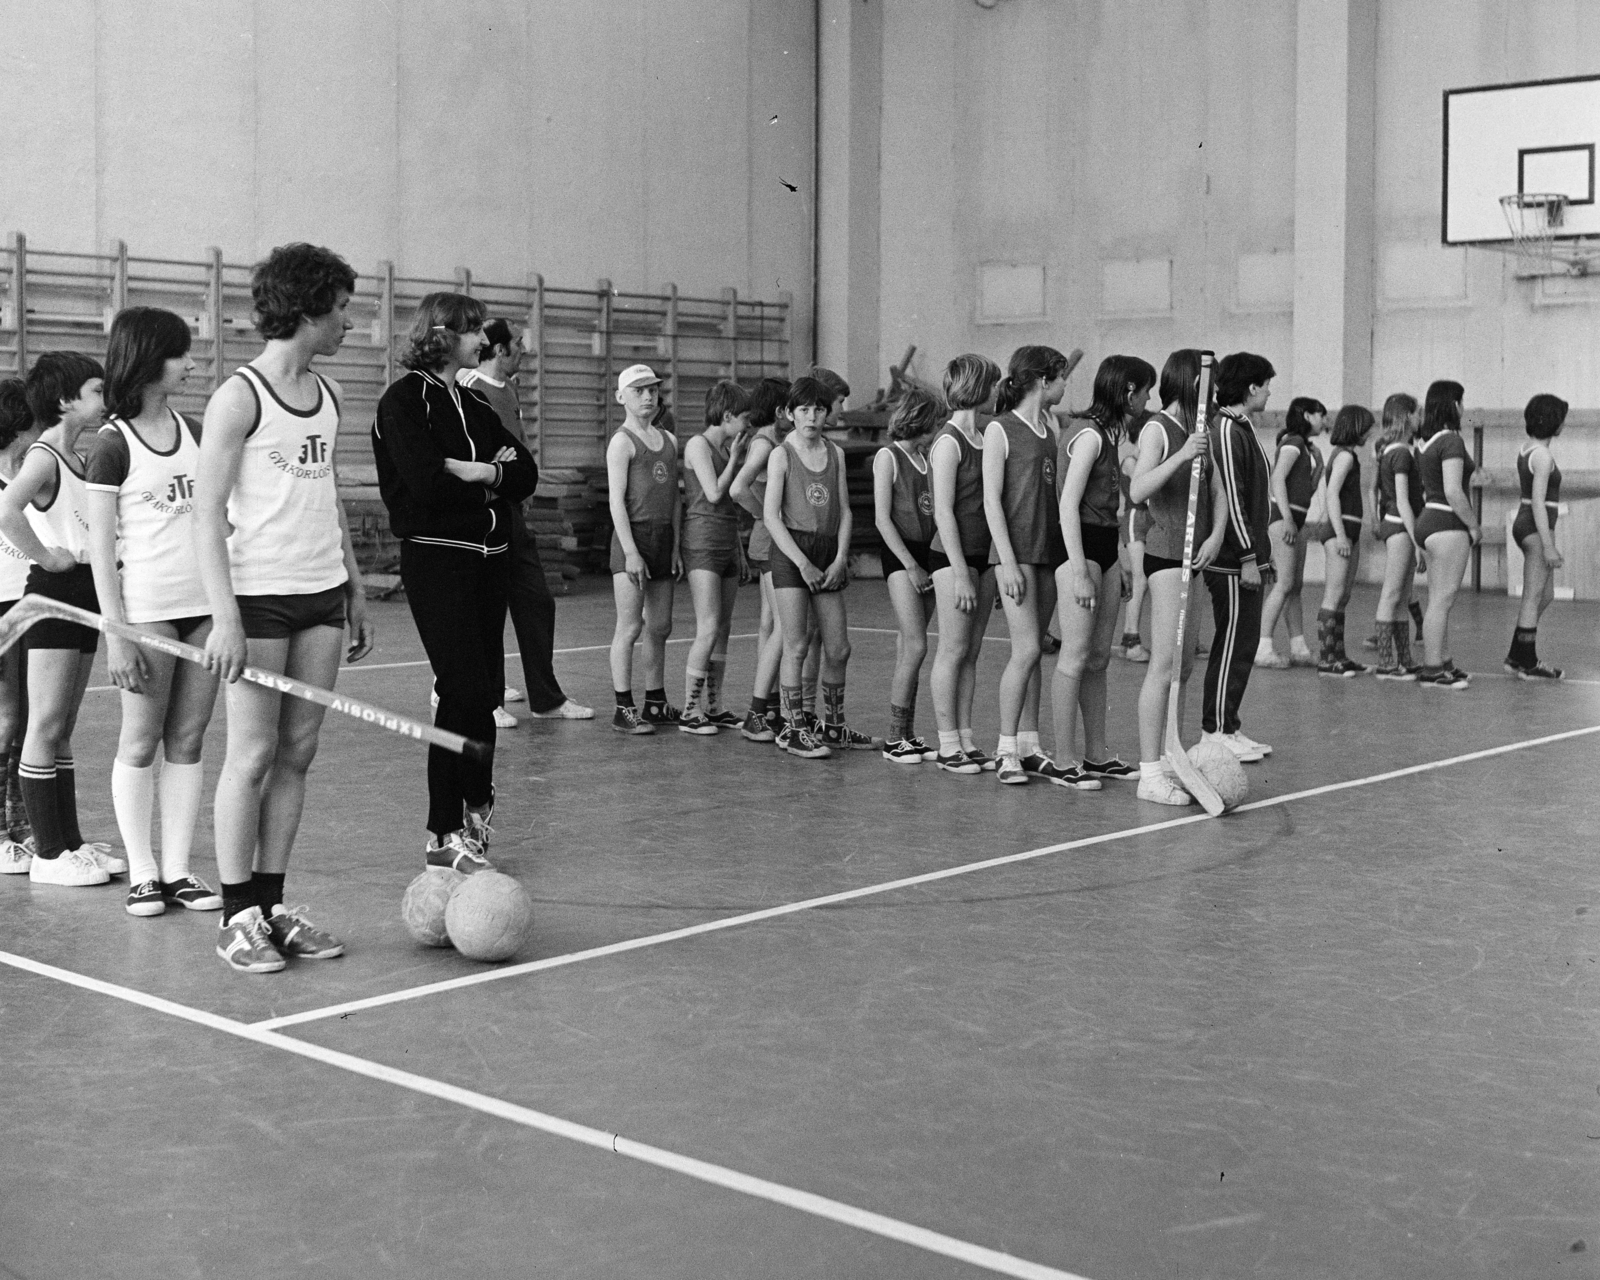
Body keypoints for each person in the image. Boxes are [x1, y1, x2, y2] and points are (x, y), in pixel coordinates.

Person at [195, 242, 374, 974]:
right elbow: (205, 514)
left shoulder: (327, 397)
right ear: (306, 311)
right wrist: (227, 617)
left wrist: (355, 585)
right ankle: (236, 916)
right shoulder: (238, 397)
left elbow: (323, 494)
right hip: (258, 601)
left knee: (298, 753)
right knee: (253, 754)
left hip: (321, 596)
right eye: (339, 310)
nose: (348, 324)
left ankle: (272, 906)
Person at [375, 291, 537, 878]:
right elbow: (424, 486)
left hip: (488, 559)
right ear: (444, 334)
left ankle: (478, 801)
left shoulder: (471, 402)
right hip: (439, 561)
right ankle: (444, 826)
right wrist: (491, 483)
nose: (482, 342)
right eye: (473, 332)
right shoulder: (403, 401)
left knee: (485, 694)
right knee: (461, 688)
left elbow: (527, 472)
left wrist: (480, 470)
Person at [86, 307, 222, 916]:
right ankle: (143, 871)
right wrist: (116, 634)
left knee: (188, 739)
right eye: (179, 354)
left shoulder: (198, 432)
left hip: (205, 609)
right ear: (146, 359)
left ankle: (179, 870)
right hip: (146, 612)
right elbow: (98, 551)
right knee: (141, 740)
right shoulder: (112, 444)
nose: (191, 364)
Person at [0, 352, 126, 887]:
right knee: (43, 723)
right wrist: (46, 557)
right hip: (53, 592)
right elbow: (7, 509)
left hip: (84, 595)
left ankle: (70, 842)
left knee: (64, 728)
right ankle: (48, 852)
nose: (105, 400)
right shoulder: (46, 455)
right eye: (97, 391)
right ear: (64, 400)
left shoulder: (80, 454)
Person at [457, 318, 592, 726]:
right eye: (517, 343)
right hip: (485, 514)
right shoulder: (470, 391)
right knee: (488, 607)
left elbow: (517, 445)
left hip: (515, 512)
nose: (523, 350)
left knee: (536, 600)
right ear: (498, 349)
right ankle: (486, 698)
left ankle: (545, 698)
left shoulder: (509, 389)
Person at [1131, 349, 1226, 805]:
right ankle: (1150, 771)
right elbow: (1138, 489)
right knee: (1164, 665)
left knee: (1184, 668)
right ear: (1193, 385)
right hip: (1166, 555)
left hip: (1194, 555)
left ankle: (1172, 755)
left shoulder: (1200, 430)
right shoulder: (1158, 429)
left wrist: (1217, 534)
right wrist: (1183, 454)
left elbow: (1217, 489)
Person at [764, 376, 877, 757]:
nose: (811, 416)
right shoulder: (782, 454)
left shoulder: (836, 454)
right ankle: (793, 728)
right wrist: (802, 563)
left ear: (828, 413)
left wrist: (842, 557)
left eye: (818, 409)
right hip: (793, 552)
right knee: (796, 646)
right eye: (803, 410)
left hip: (828, 552)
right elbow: (771, 517)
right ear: (790, 414)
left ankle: (833, 726)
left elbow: (845, 510)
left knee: (839, 647)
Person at [1052, 355, 1152, 786]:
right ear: (1128, 391)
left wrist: (1120, 561)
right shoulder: (1088, 435)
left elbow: (1107, 508)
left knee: (1098, 659)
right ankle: (1062, 759)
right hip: (1079, 549)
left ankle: (1095, 754)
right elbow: (1068, 506)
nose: (1149, 399)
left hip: (1105, 547)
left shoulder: (1111, 435)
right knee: (1073, 656)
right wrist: (1078, 570)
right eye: (1146, 391)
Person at [983, 345, 1074, 786]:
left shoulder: (1051, 427)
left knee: (1036, 650)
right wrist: (1007, 562)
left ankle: (1029, 743)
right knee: (1026, 650)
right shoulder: (1000, 430)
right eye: (1061, 378)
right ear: (1043, 380)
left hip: (1048, 551)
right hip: (1015, 555)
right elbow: (990, 501)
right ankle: (1004, 750)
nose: (1064, 385)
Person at [927, 354, 1002, 774]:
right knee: (952, 649)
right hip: (951, 556)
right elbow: (943, 512)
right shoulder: (949, 441)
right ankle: (946, 743)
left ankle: (967, 738)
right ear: (978, 388)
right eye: (993, 385)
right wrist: (959, 573)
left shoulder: (985, 435)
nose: (997, 393)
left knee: (971, 652)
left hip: (982, 556)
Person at [1200, 351, 1276, 763]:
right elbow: (1231, 497)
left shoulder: (1243, 428)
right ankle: (1213, 729)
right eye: (1266, 384)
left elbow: (1256, 498)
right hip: (1230, 559)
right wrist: (1248, 556)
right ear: (1251, 387)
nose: (1268, 392)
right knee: (1230, 642)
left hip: (1248, 556)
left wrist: (1263, 557)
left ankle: (1229, 724)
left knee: (1244, 642)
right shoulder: (1226, 431)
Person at [605, 364, 681, 733]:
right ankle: (624, 707)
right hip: (632, 538)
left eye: (652, 389)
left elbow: (675, 500)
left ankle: (655, 701)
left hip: (663, 538)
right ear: (622, 397)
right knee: (631, 626)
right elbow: (616, 502)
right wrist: (631, 551)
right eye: (638, 390)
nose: (648, 396)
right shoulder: (622, 442)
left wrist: (677, 546)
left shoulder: (669, 440)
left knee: (661, 626)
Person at [872, 384, 940, 763]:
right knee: (916, 645)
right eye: (935, 423)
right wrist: (911, 565)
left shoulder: (927, 460)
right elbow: (882, 518)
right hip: (901, 557)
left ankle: (908, 733)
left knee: (908, 646)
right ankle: (894, 738)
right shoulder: (889, 456)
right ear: (920, 422)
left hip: (926, 554)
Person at [678, 379, 751, 733]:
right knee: (707, 626)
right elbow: (713, 491)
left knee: (723, 627)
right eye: (744, 418)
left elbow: (730, 507)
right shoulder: (698, 445)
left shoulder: (723, 448)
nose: (747, 426)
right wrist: (736, 459)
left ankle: (715, 705)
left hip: (726, 541)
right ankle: (690, 710)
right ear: (726, 416)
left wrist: (740, 549)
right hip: (703, 541)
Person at [731, 376, 791, 741]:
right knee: (785, 626)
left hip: (769, 539)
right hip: (771, 540)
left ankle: (767, 705)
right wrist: (763, 514)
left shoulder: (772, 441)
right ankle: (757, 711)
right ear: (782, 411)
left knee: (770, 623)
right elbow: (738, 488)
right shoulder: (765, 444)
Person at [1412, 379, 1477, 690]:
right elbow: (1453, 490)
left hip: (1428, 521)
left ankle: (1443, 660)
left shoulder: (1427, 441)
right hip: (1447, 522)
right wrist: (1474, 525)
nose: (1464, 408)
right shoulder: (1451, 441)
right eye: (1461, 402)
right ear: (1454, 405)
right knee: (1442, 599)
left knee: (1439, 598)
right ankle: (1432, 669)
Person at [0, 380, 40, 875]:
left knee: (29, 716)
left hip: (33, 605)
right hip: (1, 605)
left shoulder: (34, 476)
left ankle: (21, 820)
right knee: (8, 713)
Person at [1255, 396, 1326, 669]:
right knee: (1283, 584)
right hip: (1283, 519)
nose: (1324, 420)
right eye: (1320, 414)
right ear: (1307, 416)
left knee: (1294, 587)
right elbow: (1277, 478)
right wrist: (1286, 518)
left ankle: (1298, 648)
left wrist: (1318, 466)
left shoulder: (1304, 448)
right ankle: (1262, 647)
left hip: (1296, 518)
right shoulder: (1294, 442)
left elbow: (1305, 490)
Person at [1504, 392, 1568, 680]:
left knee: (1546, 594)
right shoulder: (1542, 455)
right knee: (1532, 596)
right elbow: (1539, 501)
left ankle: (1517, 654)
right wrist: (1548, 545)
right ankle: (1526, 662)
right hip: (1533, 525)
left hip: (1528, 523)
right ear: (1553, 422)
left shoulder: (1528, 449)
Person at [1310, 404, 1375, 677]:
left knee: (1343, 596)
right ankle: (1327, 660)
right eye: (1368, 428)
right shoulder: (1345, 457)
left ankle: (1338, 655)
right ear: (1356, 427)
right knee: (1334, 594)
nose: (1371, 433)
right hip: (1340, 531)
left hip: (1348, 530)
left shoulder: (1347, 456)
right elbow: (1332, 493)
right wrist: (1339, 535)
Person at [1369, 393, 1423, 680]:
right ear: (1406, 417)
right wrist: (1417, 542)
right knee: (1392, 593)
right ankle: (1386, 663)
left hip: (1398, 525)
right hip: (1400, 527)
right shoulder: (1400, 453)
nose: (1420, 419)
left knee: (1402, 597)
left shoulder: (1392, 449)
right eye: (1417, 413)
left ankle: (1404, 658)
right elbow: (1403, 501)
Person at [1115, 426, 1151, 663]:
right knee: (1140, 577)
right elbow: (1144, 491)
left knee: (1147, 578)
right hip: (1135, 518)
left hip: (1147, 518)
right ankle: (1130, 639)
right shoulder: (1130, 460)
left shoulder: (1142, 459)